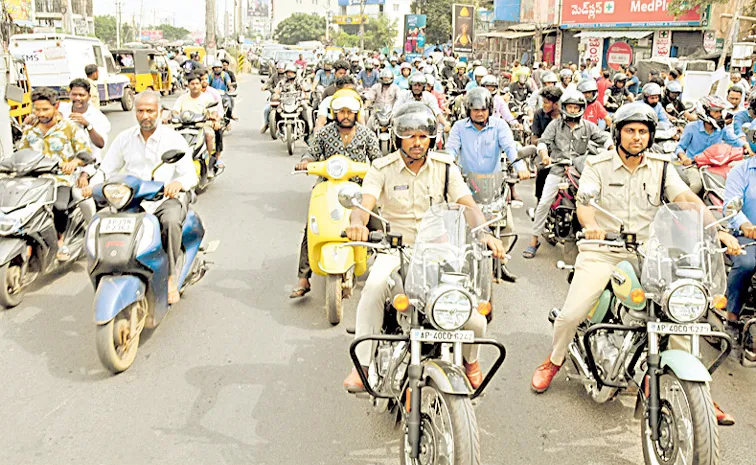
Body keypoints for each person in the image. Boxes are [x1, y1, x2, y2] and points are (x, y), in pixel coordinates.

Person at [529, 101, 740, 425]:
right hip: (604, 250)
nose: (637, 137)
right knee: (572, 313)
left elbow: (686, 199)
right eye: (630, 131)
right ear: (619, 134)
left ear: (650, 135)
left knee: (681, 314)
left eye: (643, 131)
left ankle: (697, 392)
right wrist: (591, 226)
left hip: (651, 253)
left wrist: (718, 230)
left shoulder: (662, 167)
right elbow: (585, 203)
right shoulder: (599, 165)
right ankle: (554, 360)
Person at [342, 102, 507, 392]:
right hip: (395, 249)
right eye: (410, 136)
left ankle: (471, 360)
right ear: (397, 138)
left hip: (439, 250)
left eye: (423, 136)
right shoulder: (381, 169)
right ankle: (364, 365)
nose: (418, 143)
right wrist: (358, 222)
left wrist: (485, 233)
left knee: (469, 307)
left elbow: (467, 205)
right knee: (374, 285)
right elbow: (364, 206)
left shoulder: (445, 168)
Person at [97, 91, 197, 305]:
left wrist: (177, 183)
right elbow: (106, 169)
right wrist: (91, 184)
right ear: (135, 112)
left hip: (165, 199)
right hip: (133, 200)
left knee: (170, 222)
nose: (145, 116)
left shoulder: (173, 139)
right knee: (106, 225)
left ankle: (171, 276)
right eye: (141, 111)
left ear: (159, 112)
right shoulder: (124, 138)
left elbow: (189, 174)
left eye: (150, 111)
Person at [290, 89, 382, 298]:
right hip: (327, 186)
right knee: (312, 227)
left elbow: (377, 158)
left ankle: (383, 269)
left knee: (378, 225)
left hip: (360, 188)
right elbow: (311, 152)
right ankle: (304, 277)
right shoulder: (324, 133)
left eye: (350, 112)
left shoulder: (366, 134)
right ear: (334, 113)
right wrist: (305, 161)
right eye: (342, 112)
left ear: (357, 114)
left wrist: (380, 169)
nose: (346, 115)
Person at [446, 88, 530, 281]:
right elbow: (451, 150)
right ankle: (458, 262)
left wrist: (520, 167)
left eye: (483, 109)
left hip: (494, 184)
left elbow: (510, 147)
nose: (479, 113)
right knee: (456, 224)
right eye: (475, 110)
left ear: (490, 109)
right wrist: (447, 165)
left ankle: (500, 263)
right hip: (466, 184)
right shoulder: (459, 127)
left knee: (507, 226)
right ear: (468, 110)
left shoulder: (500, 125)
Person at [522, 90, 613, 259]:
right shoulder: (555, 125)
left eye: (575, 107)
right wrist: (545, 156)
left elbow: (604, 138)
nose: (572, 110)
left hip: (580, 171)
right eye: (570, 107)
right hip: (557, 169)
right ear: (564, 108)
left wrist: (612, 149)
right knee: (544, 202)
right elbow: (543, 142)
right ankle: (534, 240)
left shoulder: (588, 126)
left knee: (591, 202)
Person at [675, 95, 746, 194]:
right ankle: (685, 207)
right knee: (696, 186)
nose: (720, 115)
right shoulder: (691, 127)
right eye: (716, 111)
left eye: (720, 111)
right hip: (694, 165)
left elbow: (735, 141)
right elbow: (680, 147)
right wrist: (684, 158)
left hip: (716, 165)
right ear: (705, 111)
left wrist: (748, 148)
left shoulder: (721, 128)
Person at [58, 78, 110, 164]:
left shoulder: (97, 116)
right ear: (69, 94)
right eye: (74, 94)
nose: (77, 98)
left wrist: (88, 125)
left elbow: (100, 144)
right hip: (64, 163)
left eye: (81, 95)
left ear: (89, 96)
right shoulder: (62, 110)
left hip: (89, 164)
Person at [172, 73, 218, 159]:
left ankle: (208, 158)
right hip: (184, 126)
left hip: (202, 126)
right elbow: (175, 110)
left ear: (201, 85)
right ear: (188, 85)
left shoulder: (207, 98)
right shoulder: (182, 98)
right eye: (192, 84)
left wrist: (213, 117)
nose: (195, 86)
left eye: (197, 84)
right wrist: (172, 116)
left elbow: (214, 111)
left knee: (209, 135)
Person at [197, 68, 226, 171]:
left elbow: (219, 110)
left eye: (206, 78)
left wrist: (216, 119)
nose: (204, 81)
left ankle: (218, 157)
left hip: (211, 120)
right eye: (201, 79)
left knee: (218, 130)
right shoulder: (192, 93)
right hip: (194, 122)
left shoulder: (213, 93)